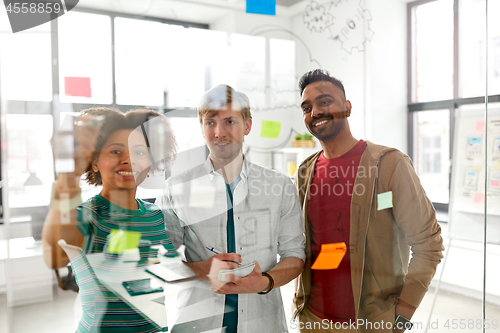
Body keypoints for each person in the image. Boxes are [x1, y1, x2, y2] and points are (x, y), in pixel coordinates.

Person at [292, 69, 444, 333]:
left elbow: (429, 244)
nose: (315, 112)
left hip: (373, 322)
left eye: (325, 101)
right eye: (307, 107)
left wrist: (402, 316)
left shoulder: (388, 164)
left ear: (347, 108)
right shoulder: (305, 173)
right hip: (313, 320)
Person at [156, 84, 305, 332]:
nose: (219, 133)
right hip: (198, 322)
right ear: (201, 127)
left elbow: (294, 254)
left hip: (263, 322)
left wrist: (264, 282)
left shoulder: (278, 186)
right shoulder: (177, 188)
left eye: (229, 122)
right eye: (210, 123)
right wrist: (201, 270)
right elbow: (160, 260)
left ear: (247, 126)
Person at [42, 108, 177, 332]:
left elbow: (164, 270)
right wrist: (68, 174)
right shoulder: (86, 216)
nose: (128, 159)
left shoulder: (155, 214)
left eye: (139, 152)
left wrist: (205, 268)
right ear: (95, 163)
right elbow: (55, 258)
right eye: (115, 151)